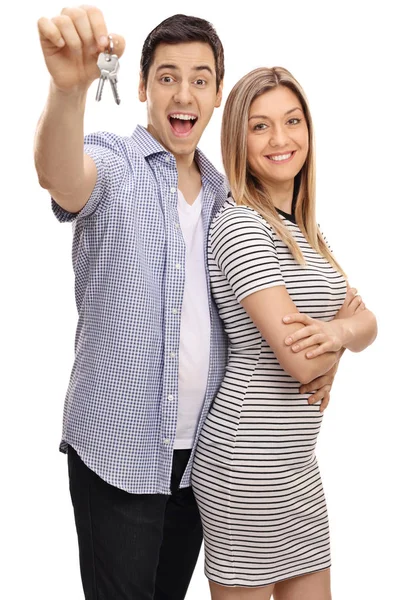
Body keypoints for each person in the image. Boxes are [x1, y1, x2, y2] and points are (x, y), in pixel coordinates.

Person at [34, 7, 344, 598]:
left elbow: (302, 304)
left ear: (219, 94)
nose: (184, 93)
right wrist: (66, 91)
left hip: (204, 458)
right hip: (117, 449)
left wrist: (332, 354)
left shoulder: (231, 200)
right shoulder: (116, 163)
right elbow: (61, 175)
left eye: (201, 78)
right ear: (144, 85)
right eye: (168, 76)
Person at [191, 67, 377, 600]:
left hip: (296, 459)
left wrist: (340, 336)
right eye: (260, 126)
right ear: (238, 140)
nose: (280, 139)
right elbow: (299, 361)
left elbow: (366, 320)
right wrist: (343, 337)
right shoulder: (242, 224)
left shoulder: (303, 227)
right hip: (246, 459)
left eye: (292, 122)